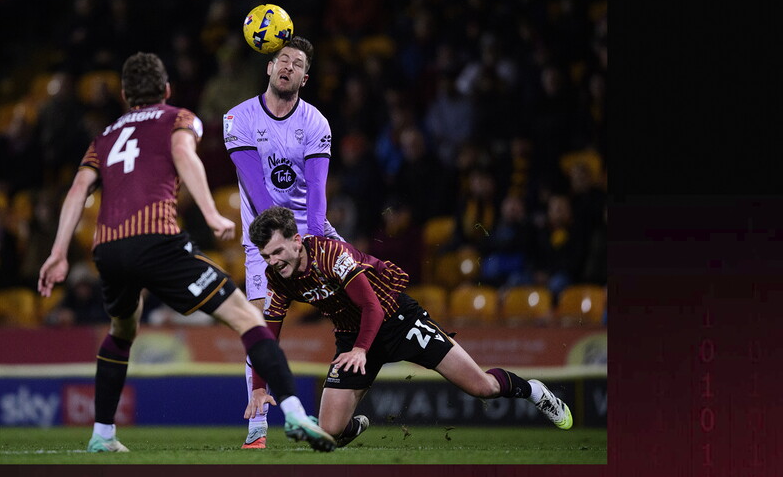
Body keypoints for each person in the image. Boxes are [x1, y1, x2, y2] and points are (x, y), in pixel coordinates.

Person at [37, 51, 336, 453]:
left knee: (122, 330)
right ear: (166, 90)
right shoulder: (177, 118)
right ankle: (297, 413)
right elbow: (183, 154)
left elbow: (77, 191)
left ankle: (102, 435)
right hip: (157, 242)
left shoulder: (104, 136)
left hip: (107, 248)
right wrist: (212, 213)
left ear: (126, 94)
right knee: (248, 316)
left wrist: (58, 253)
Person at [244, 206, 573, 447]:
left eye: (277, 252)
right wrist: (259, 387)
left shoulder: (332, 255)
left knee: (482, 388)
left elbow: (371, 305)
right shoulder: (278, 277)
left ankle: (534, 391)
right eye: (266, 256)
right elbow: (266, 337)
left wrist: (361, 349)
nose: (273, 262)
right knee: (329, 432)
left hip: (396, 319)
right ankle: (352, 426)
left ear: (297, 240)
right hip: (351, 337)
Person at [223, 36, 343, 449]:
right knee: (260, 323)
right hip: (264, 238)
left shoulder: (316, 122)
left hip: (310, 230)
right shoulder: (237, 119)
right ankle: (258, 426)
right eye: (282, 60)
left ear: (304, 78)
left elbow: (317, 189)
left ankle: (348, 413)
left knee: (371, 298)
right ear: (269, 68)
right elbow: (257, 191)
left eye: (297, 63)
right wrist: (282, 241)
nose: (288, 66)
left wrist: (312, 241)